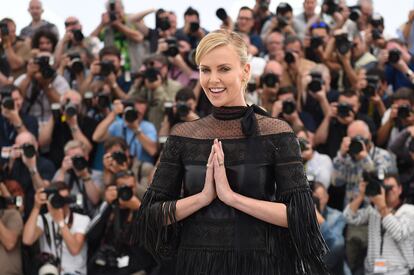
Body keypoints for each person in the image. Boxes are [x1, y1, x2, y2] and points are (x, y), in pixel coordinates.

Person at [131, 29, 327, 274]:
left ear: (245, 72)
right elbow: (151, 215)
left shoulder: (276, 132)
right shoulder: (184, 135)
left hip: (260, 266)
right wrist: (202, 197)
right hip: (195, 266)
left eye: (223, 69)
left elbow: (301, 215)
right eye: (205, 70)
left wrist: (231, 197)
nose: (213, 80)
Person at [343, 174, 414, 275]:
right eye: (385, 187)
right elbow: (348, 217)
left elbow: (399, 234)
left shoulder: (409, 211)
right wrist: (361, 195)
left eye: (391, 187)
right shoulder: (374, 210)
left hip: (399, 271)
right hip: (372, 271)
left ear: (400, 189)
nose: (388, 191)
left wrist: (382, 207)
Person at [23, 181, 90, 275]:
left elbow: (74, 249)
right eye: (57, 199)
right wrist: (36, 207)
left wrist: (61, 222)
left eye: (63, 199)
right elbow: (27, 240)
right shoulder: (44, 219)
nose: (61, 203)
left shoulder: (82, 219)